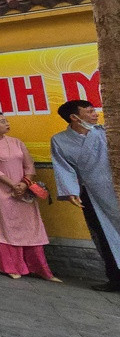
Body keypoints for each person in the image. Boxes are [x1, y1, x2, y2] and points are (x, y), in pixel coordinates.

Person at [0, 111, 60, 282]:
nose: (7, 123)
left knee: (31, 226)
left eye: (6, 120)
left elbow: (29, 164)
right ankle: (10, 267)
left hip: (23, 190)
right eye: (2, 121)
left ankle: (39, 267)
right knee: (4, 227)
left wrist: (25, 182)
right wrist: (13, 185)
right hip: (0, 191)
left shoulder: (17, 142)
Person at [50, 100, 120, 292]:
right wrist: (71, 191)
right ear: (74, 117)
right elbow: (64, 167)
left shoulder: (106, 132)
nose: (95, 114)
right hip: (92, 194)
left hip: (116, 188)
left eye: (94, 110)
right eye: (89, 111)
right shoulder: (60, 140)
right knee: (104, 235)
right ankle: (115, 278)